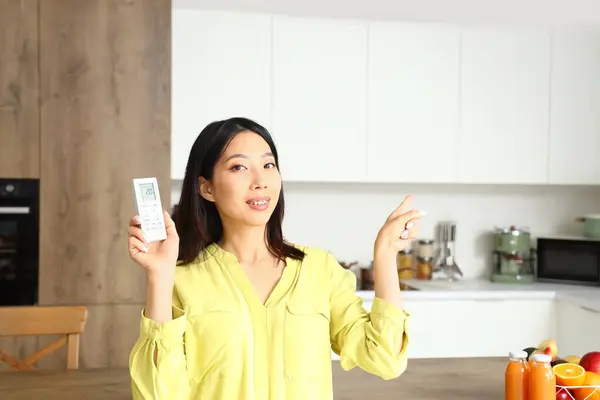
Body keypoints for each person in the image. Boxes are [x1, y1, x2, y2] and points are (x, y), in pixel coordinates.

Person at [127, 117, 421, 400]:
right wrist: (159, 276)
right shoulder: (182, 278)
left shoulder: (320, 270)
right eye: (239, 167)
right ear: (207, 188)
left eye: (268, 165)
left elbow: (385, 359)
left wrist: (385, 253)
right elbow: (157, 394)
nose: (260, 181)